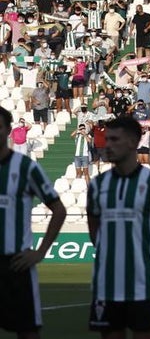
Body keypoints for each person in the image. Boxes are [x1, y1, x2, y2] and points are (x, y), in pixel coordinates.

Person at [86, 116, 150, 339]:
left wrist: (148, 261)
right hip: (106, 282)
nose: (107, 145)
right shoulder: (97, 185)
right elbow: (94, 230)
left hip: (142, 282)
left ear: (133, 142)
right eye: (107, 139)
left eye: (114, 139)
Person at [0, 105, 68, 339]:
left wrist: (40, 252)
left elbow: (58, 209)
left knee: (28, 331)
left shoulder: (26, 167)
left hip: (17, 263)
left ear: (8, 130)